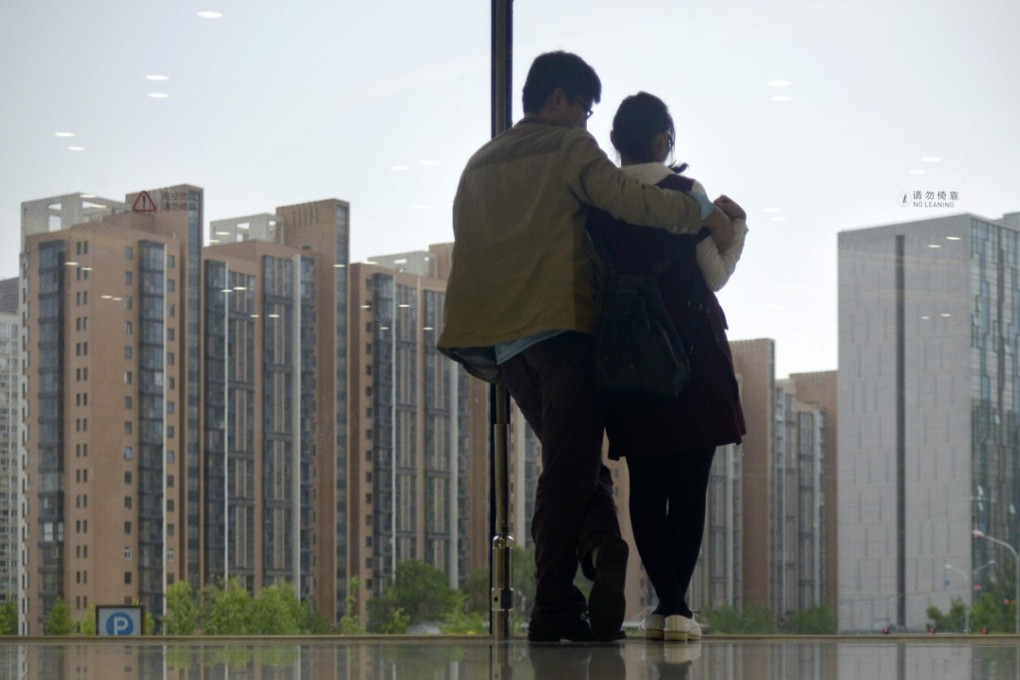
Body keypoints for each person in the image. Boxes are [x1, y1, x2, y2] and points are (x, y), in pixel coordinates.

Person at [438, 52, 736, 643]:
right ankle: (552, 605)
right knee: (564, 472)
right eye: (584, 108)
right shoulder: (569, 148)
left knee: (573, 461)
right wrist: (700, 211)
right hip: (562, 332)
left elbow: (469, 244)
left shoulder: (479, 162)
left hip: (506, 345)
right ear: (558, 99)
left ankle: (602, 549)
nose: (586, 122)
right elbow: (631, 200)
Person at [587, 92, 748, 643]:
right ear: (663, 141)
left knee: (648, 486)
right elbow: (715, 275)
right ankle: (675, 608)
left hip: (628, 357)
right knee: (690, 487)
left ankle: (668, 609)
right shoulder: (687, 195)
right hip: (692, 354)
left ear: (616, 142)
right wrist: (738, 228)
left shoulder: (601, 201)